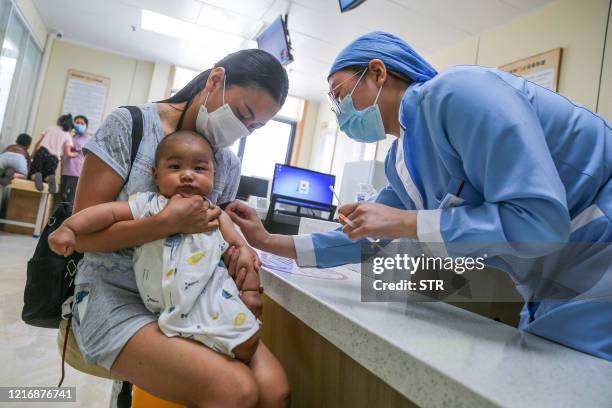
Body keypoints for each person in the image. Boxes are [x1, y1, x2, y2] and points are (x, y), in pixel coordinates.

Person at [226, 32, 612, 361]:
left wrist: (407, 223)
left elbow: (541, 223)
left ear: (377, 73)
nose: (340, 113)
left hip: (598, 247)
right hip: (550, 280)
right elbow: (367, 234)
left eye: (340, 95)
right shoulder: (402, 159)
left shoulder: (457, 93)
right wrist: (268, 241)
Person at [68, 49, 289, 407]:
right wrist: (165, 223)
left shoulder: (227, 165)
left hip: (194, 301)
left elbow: (214, 239)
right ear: (215, 80)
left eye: (254, 127)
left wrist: (241, 258)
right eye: (243, 115)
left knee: (274, 391)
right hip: (115, 294)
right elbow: (81, 236)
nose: (242, 131)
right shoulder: (131, 126)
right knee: (235, 389)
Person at [50, 130, 264, 365]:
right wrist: (70, 228)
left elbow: (241, 251)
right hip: (155, 305)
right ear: (155, 174)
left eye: (199, 169)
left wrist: (251, 291)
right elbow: (107, 213)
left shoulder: (215, 214)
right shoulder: (149, 204)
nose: (187, 175)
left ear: (214, 175)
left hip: (208, 299)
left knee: (247, 344)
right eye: (175, 167)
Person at [29, 114, 74, 193]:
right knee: (47, 175)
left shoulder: (50, 128)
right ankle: (50, 178)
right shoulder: (67, 135)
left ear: (60, 121)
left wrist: (32, 155)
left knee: (33, 173)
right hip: (54, 158)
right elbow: (68, 153)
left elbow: (38, 143)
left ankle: (36, 176)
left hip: (42, 153)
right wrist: (76, 154)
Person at [60, 115, 91, 204]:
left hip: (76, 172)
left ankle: (68, 217)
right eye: (77, 123)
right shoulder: (71, 136)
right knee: (62, 196)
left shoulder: (88, 139)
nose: (79, 125)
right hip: (65, 170)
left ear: (86, 126)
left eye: (82, 123)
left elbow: (80, 150)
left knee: (70, 199)